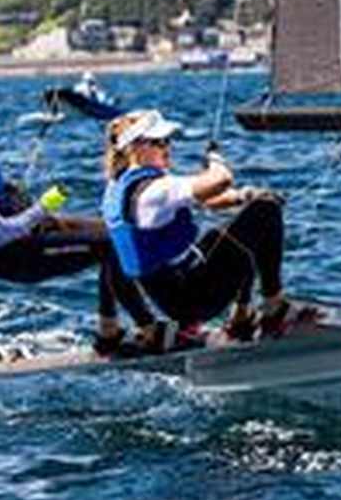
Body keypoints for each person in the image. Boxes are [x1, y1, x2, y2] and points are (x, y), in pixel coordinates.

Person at [0, 94, 154, 353]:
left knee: (118, 232)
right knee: (112, 247)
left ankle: (124, 325)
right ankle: (132, 330)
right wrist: (44, 207)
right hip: (17, 257)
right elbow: (0, 235)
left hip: (29, 236)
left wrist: (21, 203)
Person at [101, 109, 304, 343]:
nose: (168, 147)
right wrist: (215, 160)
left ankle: (240, 318)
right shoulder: (156, 189)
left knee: (225, 234)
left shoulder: (118, 188)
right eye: (159, 142)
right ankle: (273, 307)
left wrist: (243, 196)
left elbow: (205, 199)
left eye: (168, 141)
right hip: (198, 299)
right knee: (265, 209)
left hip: (176, 299)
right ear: (136, 148)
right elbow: (221, 180)